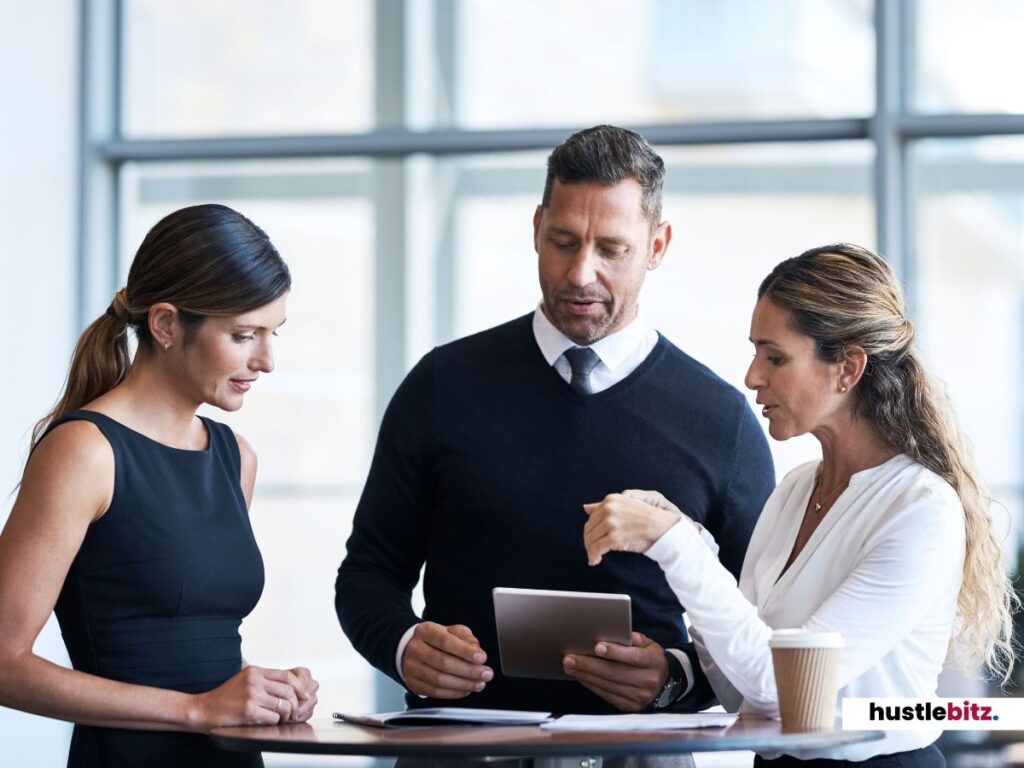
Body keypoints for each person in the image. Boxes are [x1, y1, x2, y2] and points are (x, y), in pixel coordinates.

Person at [336, 125, 775, 717]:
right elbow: (367, 574)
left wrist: (676, 678)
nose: (580, 275)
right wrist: (404, 644)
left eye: (612, 249)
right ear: (536, 229)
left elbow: (764, 627)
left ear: (658, 246)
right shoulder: (441, 386)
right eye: (563, 241)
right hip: (460, 758)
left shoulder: (720, 418)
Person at [583, 243, 1017, 766]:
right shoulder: (794, 490)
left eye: (776, 357)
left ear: (847, 369)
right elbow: (743, 686)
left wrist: (674, 544)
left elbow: (783, 689)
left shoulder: (921, 509)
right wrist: (673, 668)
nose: (751, 377)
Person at [0, 204, 319, 768]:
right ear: (167, 324)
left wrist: (269, 693)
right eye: (244, 335)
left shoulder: (235, 458)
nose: (267, 360)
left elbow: (197, 645)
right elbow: (4, 662)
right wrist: (196, 709)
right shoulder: (84, 452)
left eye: (274, 333)